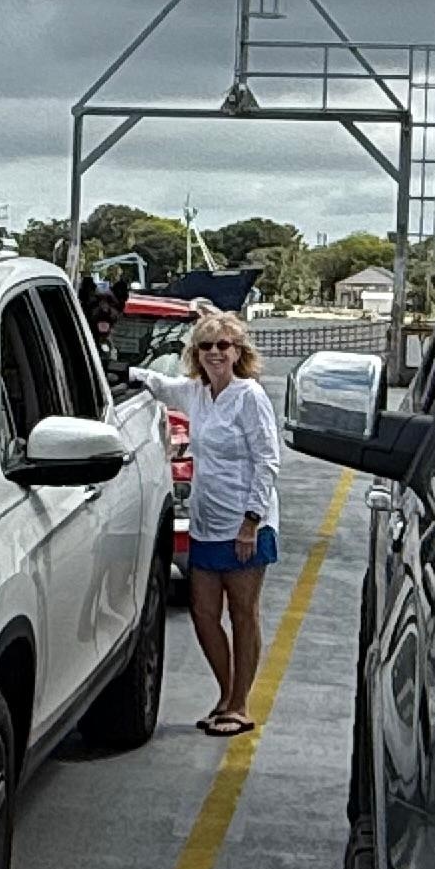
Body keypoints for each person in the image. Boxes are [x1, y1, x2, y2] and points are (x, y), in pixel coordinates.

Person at [166, 307, 282, 735]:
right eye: (206, 346)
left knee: (243, 613)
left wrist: (251, 521)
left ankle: (240, 704)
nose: (214, 353)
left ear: (237, 352)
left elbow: (267, 460)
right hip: (206, 522)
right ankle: (225, 692)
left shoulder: (249, 396)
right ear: (196, 354)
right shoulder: (195, 394)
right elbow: (156, 385)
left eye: (223, 345)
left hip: (245, 524)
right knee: (203, 612)